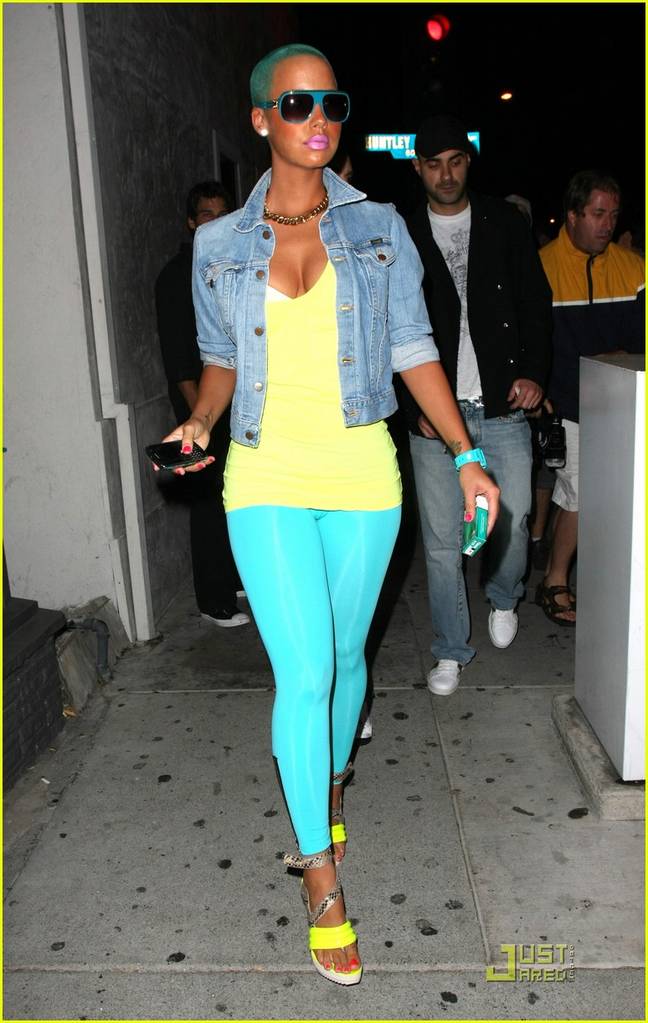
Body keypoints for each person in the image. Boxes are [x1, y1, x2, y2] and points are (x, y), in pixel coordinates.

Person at [159, 46, 499, 987]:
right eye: (297, 103)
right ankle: (319, 873)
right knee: (305, 669)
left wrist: (465, 453)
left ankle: (329, 786)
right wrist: (201, 418)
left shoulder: (380, 225)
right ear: (261, 117)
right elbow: (222, 359)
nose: (318, 118)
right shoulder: (217, 245)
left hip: (361, 475)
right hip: (264, 474)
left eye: (331, 103)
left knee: (349, 660)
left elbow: (414, 347)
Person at [401, 114, 552, 695]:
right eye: (434, 164)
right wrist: (407, 403)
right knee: (442, 543)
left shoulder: (504, 223)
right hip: (435, 418)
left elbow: (536, 304)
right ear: (418, 168)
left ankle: (505, 595)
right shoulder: (402, 232)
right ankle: (449, 650)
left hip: (501, 405)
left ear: (469, 163)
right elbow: (384, 327)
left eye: (455, 162)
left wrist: (533, 373)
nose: (445, 175)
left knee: (512, 522)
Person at [537, 170, 645, 624]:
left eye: (614, 214)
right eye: (598, 214)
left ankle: (594, 574)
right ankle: (555, 580)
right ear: (573, 215)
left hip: (622, 404)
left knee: (594, 495)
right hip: (566, 404)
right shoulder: (540, 266)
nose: (608, 224)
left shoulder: (634, 268)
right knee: (581, 492)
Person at [154, 182, 249, 627]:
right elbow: (179, 357)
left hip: (231, 399)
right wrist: (201, 418)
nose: (216, 221)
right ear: (192, 222)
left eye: (223, 213)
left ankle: (232, 578)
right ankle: (214, 600)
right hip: (201, 404)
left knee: (235, 492)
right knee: (208, 499)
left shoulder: (229, 267)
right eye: (206, 214)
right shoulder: (176, 275)